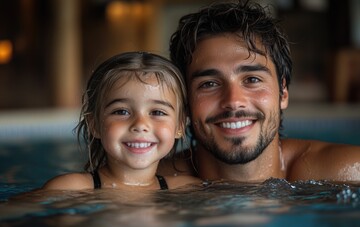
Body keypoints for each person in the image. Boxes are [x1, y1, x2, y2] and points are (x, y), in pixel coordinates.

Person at [157, 1, 360, 182]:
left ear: (283, 92)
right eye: (209, 84)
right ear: (184, 102)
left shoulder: (347, 171)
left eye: (252, 80)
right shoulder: (154, 181)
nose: (234, 101)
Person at [42, 51, 201, 190]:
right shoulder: (69, 189)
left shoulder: (187, 189)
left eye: (157, 112)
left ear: (180, 125)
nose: (140, 125)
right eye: (122, 111)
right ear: (94, 124)